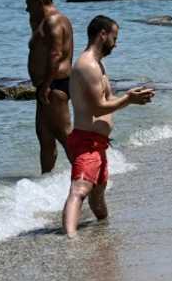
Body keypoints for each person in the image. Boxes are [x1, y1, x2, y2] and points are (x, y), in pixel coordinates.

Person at [63, 16, 154, 237]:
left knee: (99, 202)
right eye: (114, 37)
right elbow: (98, 108)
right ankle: (69, 239)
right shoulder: (88, 65)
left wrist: (133, 96)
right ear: (102, 34)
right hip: (87, 142)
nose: (116, 43)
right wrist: (129, 100)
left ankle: (103, 235)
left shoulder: (98, 65)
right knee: (80, 189)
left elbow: (109, 99)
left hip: (99, 144)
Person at [26, 0, 74, 174]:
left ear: (38, 2)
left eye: (28, 5)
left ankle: (89, 177)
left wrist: (46, 86)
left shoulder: (54, 21)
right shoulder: (44, 21)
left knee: (64, 134)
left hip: (54, 85)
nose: (26, 9)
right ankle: (46, 183)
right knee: (45, 136)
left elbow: (56, 54)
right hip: (46, 85)